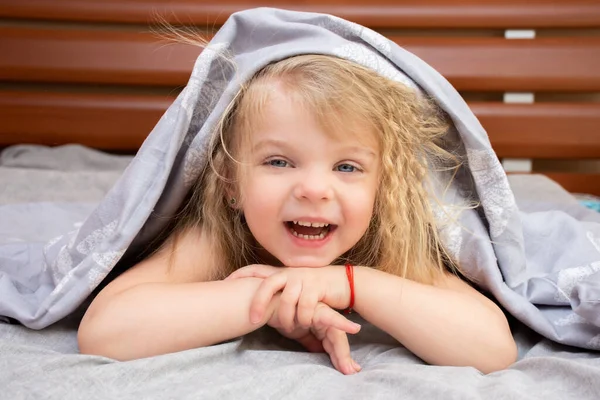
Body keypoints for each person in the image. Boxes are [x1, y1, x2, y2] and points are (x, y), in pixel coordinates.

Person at [77, 50, 517, 374]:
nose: (312, 189)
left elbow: (492, 350)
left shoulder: (388, 239)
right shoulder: (221, 232)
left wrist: (347, 283)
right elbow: (106, 331)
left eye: (347, 167)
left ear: (382, 190)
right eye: (278, 162)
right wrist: (272, 301)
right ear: (231, 184)